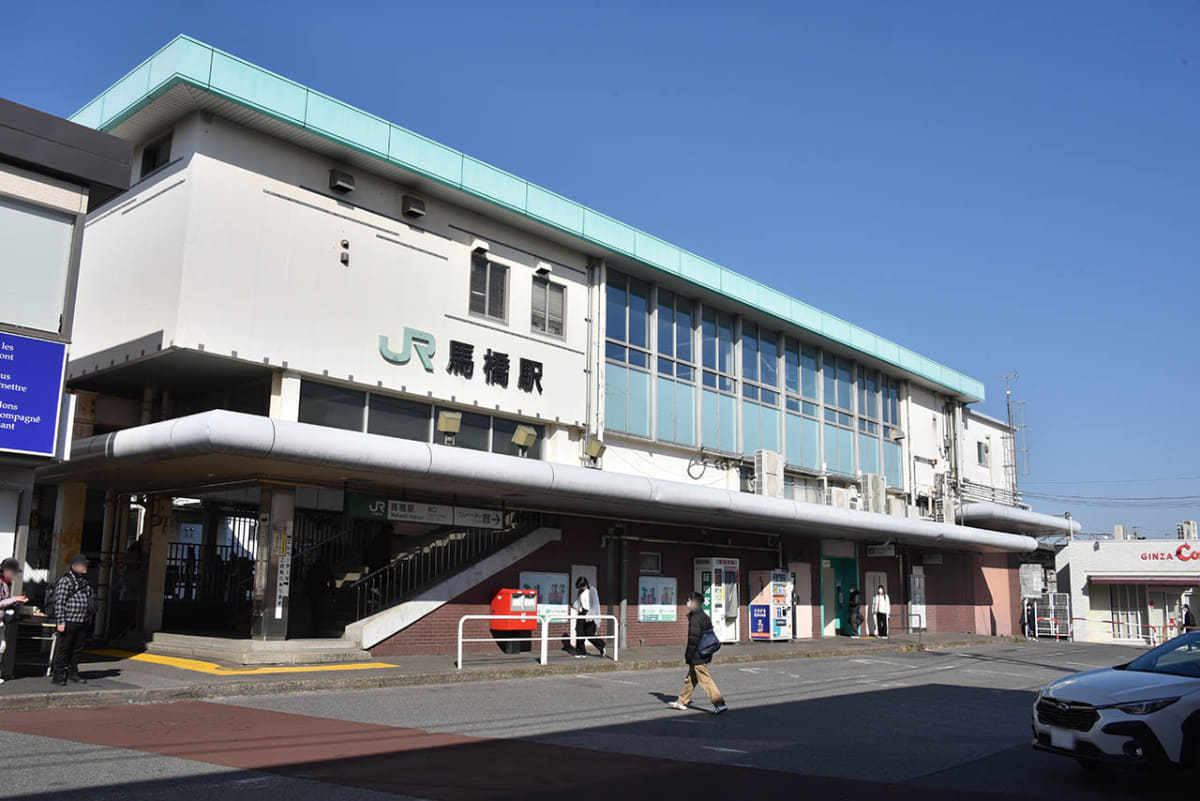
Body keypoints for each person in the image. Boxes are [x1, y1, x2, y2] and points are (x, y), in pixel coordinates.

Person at [669, 591, 727, 713]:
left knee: (705, 679)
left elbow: (693, 640)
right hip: (704, 652)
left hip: (698, 654)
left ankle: (719, 703)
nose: (688, 602)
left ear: (694, 602)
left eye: (689, 600)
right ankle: (681, 701)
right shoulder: (704, 616)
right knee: (690, 679)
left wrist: (689, 655)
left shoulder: (695, 619)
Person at [48, 554, 96, 686]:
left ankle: (72, 673)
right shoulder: (66, 581)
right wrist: (61, 622)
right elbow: (60, 602)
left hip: (83, 620)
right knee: (64, 648)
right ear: (75, 566)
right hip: (69, 620)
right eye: (83, 565)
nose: (85, 567)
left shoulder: (86, 582)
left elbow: (90, 599)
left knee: (77, 649)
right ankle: (58, 675)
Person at [0, 558, 29, 684]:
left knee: (2, 647)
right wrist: (14, 599)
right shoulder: (1, 583)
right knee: (1, 647)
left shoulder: (5, 583)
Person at [571, 576, 605, 657]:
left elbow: (595, 604)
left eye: (582, 586)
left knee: (589, 634)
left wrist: (591, 615)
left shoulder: (592, 590)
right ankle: (581, 652)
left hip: (590, 613)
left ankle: (601, 645)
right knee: (579, 632)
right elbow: (578, 602)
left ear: (586, 584)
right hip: (582, 613)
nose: (581, 588)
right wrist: (576, 607)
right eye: (580, 587)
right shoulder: (580, 592)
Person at [302, 557, 336, 637]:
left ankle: (314, 629)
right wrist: (331, 592)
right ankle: (317, 628)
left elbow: (307, 583)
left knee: (313, 612)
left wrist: (303, 594)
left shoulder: (312, 570)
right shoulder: (326, 570)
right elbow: (332, 582)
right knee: (320, 611)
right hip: (322, 592)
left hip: (312, 593)